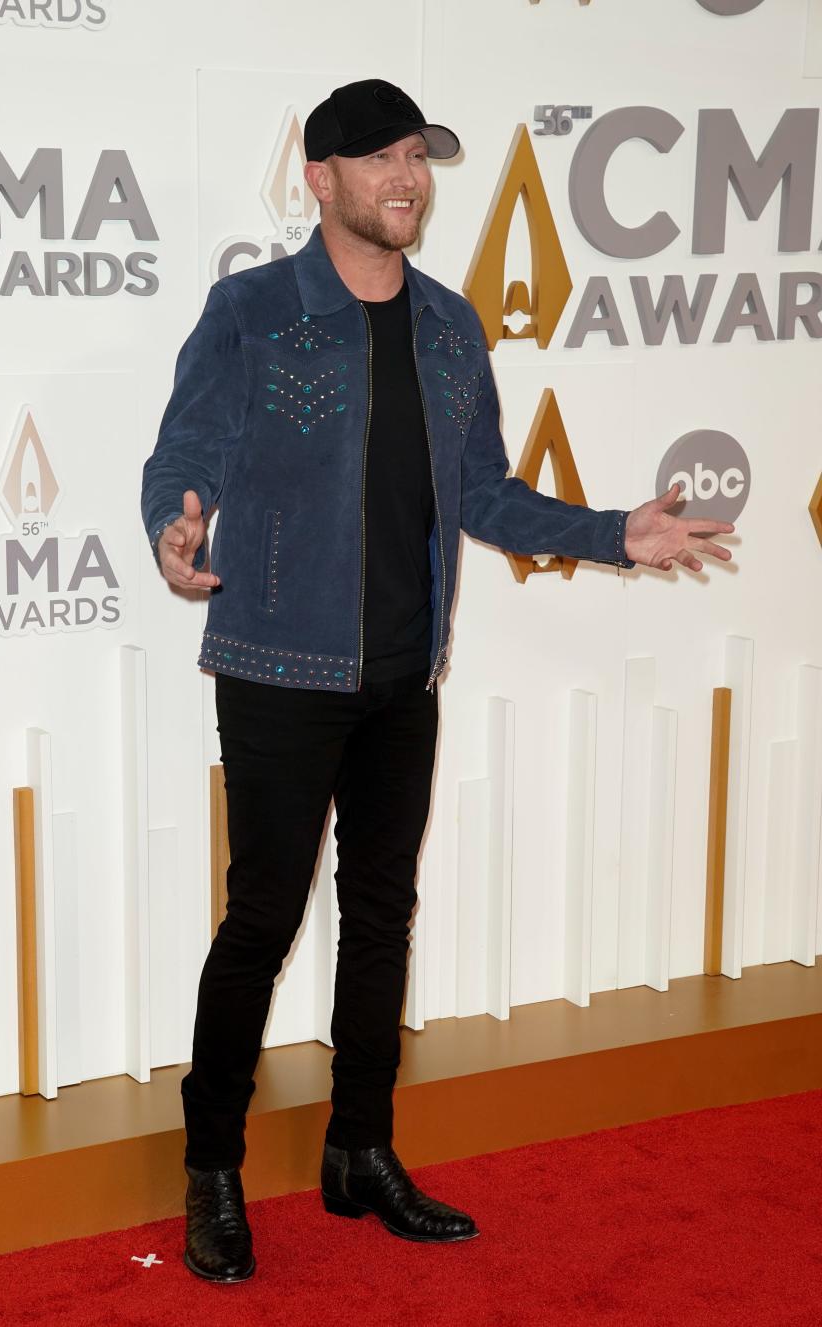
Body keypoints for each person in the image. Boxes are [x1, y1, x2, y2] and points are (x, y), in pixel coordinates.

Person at [140, 78, 733, 1285]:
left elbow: (486, 496)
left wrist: (620, 530)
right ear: (322, 179)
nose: (407, 179)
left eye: (419, 157)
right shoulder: (252, 312)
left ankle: (360, 1150)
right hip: (276, 669)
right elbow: (186, 451)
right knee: (262, 918)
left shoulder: (453, 328)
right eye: (382, 160)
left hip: (406, 674)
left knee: (382, 916)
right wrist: (175, 521)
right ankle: (211, 1167)